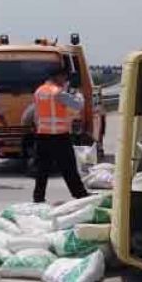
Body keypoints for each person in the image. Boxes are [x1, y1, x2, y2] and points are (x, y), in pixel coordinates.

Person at [29, 65, 90, 203]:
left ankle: (38, 197)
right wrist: (77, 93)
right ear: (57, 76)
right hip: (59, 136)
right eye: (64, 77)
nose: (65, 79)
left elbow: (36, 114)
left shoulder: (39, 91)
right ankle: (80, 194)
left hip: (42, 134)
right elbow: (77, 105)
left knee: (42, 168)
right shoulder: (58, 92)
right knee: (68, 167)